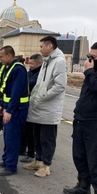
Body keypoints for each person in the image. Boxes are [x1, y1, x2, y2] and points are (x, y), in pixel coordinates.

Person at [63, 41, 97, 194]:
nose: (89, 60)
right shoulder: (94, 72)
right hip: (82, 121)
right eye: (88, 57)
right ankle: (83, 186)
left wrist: (89, 71)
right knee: (80, 156)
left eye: (93, 57)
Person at [24, 36, 67, 177]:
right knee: (37, 136)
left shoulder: (59, 61)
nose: (40, 49)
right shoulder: (46, 61)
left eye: (42, 46)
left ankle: (46, 165)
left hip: (49, 108)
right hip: (39, 106)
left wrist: (43, 96)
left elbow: (59, 86)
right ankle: (38, 160)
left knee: (47, 138)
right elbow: (40, 83)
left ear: (50, 46)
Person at [0, 46, 29, 176]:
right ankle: (6, 160)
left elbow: (15, 92)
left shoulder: (18, 69)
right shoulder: (9, 68)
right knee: (7, 136)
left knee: (12, 137)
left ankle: (11, 166)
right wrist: (2, 105)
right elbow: (7, 91)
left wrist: (9, 110)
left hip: (17, 109)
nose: (0, 59)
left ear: (9, 55)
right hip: (10, 107)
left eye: (2, 56)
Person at [20, 53, 43, 163]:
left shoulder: (40, 74)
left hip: (35, 106)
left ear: (39, 63)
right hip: (26, 104)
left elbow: (30, 84)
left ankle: (31, 153)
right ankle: (22, 149)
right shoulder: (30, 73)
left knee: (31, 131)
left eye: (32, 64)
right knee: (24, 129)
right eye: (30, 63)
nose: (30, 65)